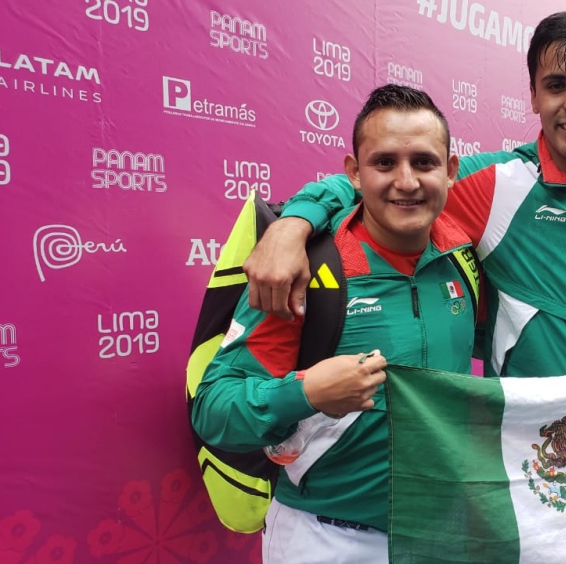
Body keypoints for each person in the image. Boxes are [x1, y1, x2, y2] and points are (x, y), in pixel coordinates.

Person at [243, 11, 566, 563]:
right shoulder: (496, 184)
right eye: (555, 85)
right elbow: (382, 185)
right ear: (534, 96)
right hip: (542, 469)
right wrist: (292, 225)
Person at [191, 84, 476, 562]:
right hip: (325, 539)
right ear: (354, 173)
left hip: (438, 534)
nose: (406, 181)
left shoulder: (463, 258)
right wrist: (303, 393)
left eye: (424, 163)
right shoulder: (307, 271)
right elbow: (213, 412)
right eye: (383, 163)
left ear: (450, 171)